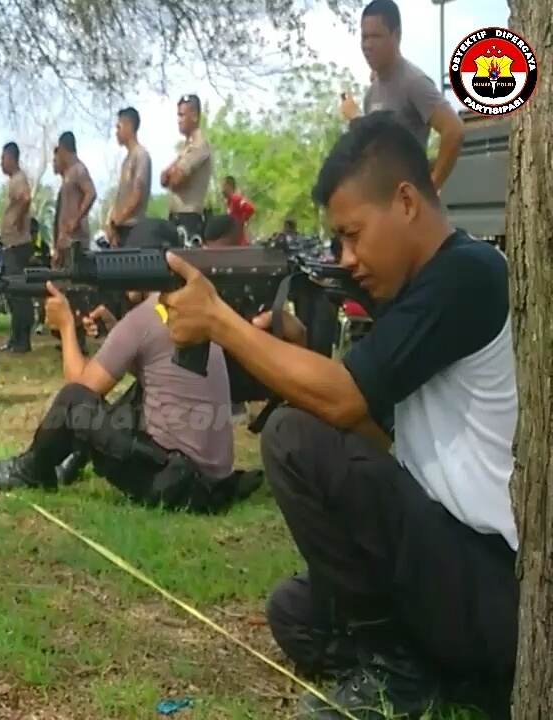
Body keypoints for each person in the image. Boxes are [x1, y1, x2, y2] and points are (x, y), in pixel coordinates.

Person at [153, 113, 517, 718]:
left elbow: (344, 400)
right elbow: (374, 431)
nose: (346, 257)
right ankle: (434, 672)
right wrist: (292, 348)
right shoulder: (425, 286)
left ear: (405, 202)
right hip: (449, 562)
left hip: (494, 583)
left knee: (292, 437)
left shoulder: (466, 275)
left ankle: (397, 673)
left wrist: (222, 322)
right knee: (294, 613)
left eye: (353, 234)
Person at [0, 219, 262, 512]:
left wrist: (67, 327)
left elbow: (79, 389)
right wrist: (114, 330)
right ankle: (69, 459)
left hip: (171, 483)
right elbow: (158, 367)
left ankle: (32, 469)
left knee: (74, 401)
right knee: (137, 393)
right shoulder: (188, 310)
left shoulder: (143, 318)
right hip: (208, 483)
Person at [340, 0, 464, 189]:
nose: (368, 45)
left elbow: (454, 129)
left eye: (376, 36)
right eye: (364, 37)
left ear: (396, 36)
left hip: (409, 203)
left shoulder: (414, 82)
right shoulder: (371, 93)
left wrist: (432, 185)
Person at [160, 94, 213, 245]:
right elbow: (163, 178)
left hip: (189, 219)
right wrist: (170, 174)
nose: (179, 120)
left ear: (194, 116)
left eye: (182, 115)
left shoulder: (199, 145)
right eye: (178, 115)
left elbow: (177, 179)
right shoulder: (186, 147)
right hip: (176, 218)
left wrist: (171, 174)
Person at [0, 142, 35, 353]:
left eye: (3, 158)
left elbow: (26, 199)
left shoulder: (19, 179)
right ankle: (15, 337)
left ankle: (22, 340)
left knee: (19, 291)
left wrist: (19, 220)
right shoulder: (13, 181)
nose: (1, 163)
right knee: (12, 291)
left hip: (18, 245)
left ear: (12, 158)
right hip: (10, 244)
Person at [106, 107, 153, 246]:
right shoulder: (126, 160)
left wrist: (116, 222)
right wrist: (111, 223)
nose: (116, 133)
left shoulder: (141, 156)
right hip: (120, 229)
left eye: (119, 127)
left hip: (133, 229)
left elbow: (137, 196)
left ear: (129, 126)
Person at [52, 131, 97, 268]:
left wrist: (76, 219)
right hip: (65, 244)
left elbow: (91, 193)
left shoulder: (79, 170)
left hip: (76, 243)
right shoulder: (68, 175)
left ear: (63, 149)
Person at [220, 176, 255, 245]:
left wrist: (242, 221)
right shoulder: (229, 202)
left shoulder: (236, 198)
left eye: (223, 186)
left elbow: (250, 208)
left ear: (229, 186)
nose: (222, 189)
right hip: (232, 240)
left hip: (239, 241)